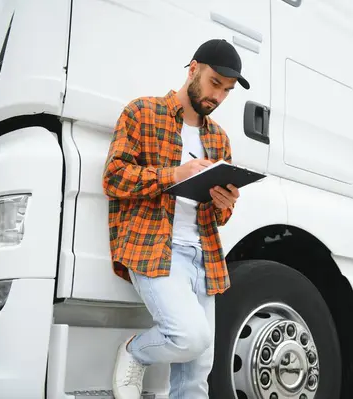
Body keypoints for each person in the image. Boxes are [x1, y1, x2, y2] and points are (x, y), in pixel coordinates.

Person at [102, 39, 250, 399]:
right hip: (156, 248)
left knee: (197, 376)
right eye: (215, 83)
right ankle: (134, 351)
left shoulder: (219, 139)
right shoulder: (142, 112)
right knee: (189, 337)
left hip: (206, 258)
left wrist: (224, 202)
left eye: (227, 91)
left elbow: (222, 217)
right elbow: (114, 178)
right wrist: (175, 175)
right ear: (194, 68)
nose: (218, 96)